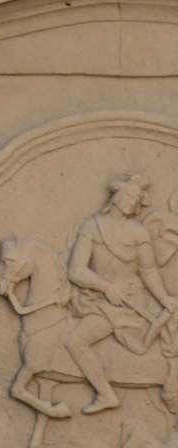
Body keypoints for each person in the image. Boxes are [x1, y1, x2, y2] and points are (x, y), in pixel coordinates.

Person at [65, 174, 178, 414]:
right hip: (100, 301)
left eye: (136, 199)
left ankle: (107, 394)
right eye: (129, 195)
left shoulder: (139, 233)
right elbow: (76, 270)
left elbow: (149, 272)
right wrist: (105, 288)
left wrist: (164, 298)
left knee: (76, 341)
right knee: (74, 339)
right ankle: (106, 393)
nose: (132, 201)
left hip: (131, 303)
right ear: (116, 196)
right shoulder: (92, 227)